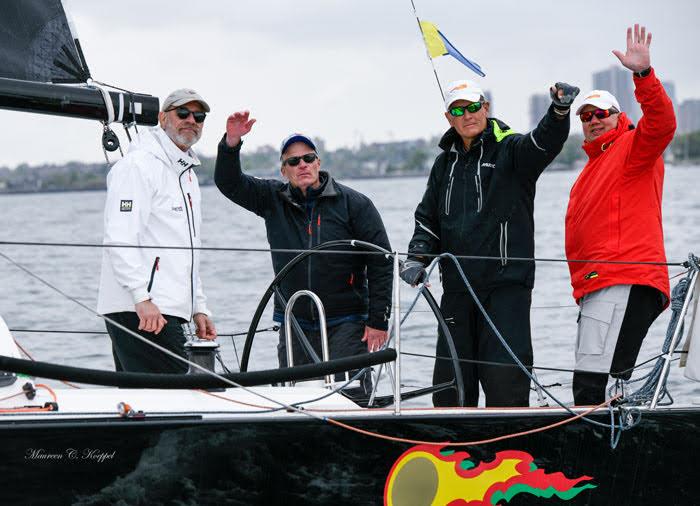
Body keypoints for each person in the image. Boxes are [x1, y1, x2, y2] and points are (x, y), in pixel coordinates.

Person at [401, 79, 579, 407]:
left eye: (473, 107)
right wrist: (417, 258)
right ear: (448, 117)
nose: (467, 115)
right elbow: (428, 220)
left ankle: (511, 452)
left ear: (485, 108)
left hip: (505, 288)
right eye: (458, 110)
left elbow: (543, 144)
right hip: (456, 290)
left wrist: (559, 110)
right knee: (451, 385)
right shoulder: (444, 164)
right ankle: (452, 451)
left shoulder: (511, 149)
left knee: (505, 381)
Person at [214, 111, 392, 390]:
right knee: (298, 399)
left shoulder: (355, 204)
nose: (303, 165)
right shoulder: (271, 199)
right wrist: (232, 143)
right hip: (294, 319)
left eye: (308, 158)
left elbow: (381, 262)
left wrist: (378, 321)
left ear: (318, 162)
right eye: (293, 161)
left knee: (349, 398)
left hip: (347, 320)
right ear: (283, 171)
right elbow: (229, 183)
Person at [566, 25, 676, 405]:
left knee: (591, 387)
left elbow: (662, 124)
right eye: (586, 116)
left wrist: (643, 75)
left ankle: (593, 454)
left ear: (619, 116)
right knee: (600, 384)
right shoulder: (594, 165)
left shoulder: (632, 147)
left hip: (621, 278)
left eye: (602, 113)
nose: (594, 120)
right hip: (602, 283)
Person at [97, 88, 217, 373]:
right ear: (163, 118)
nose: (191, 120)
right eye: (183, 113)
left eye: (198, 116)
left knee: (149, 402)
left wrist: (198, 307)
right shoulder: (138, 166)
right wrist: (142, 298)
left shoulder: (185, 174)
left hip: (167, 309)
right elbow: (120, 238)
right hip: (142, 309)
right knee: (177, 397)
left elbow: (187, 250)